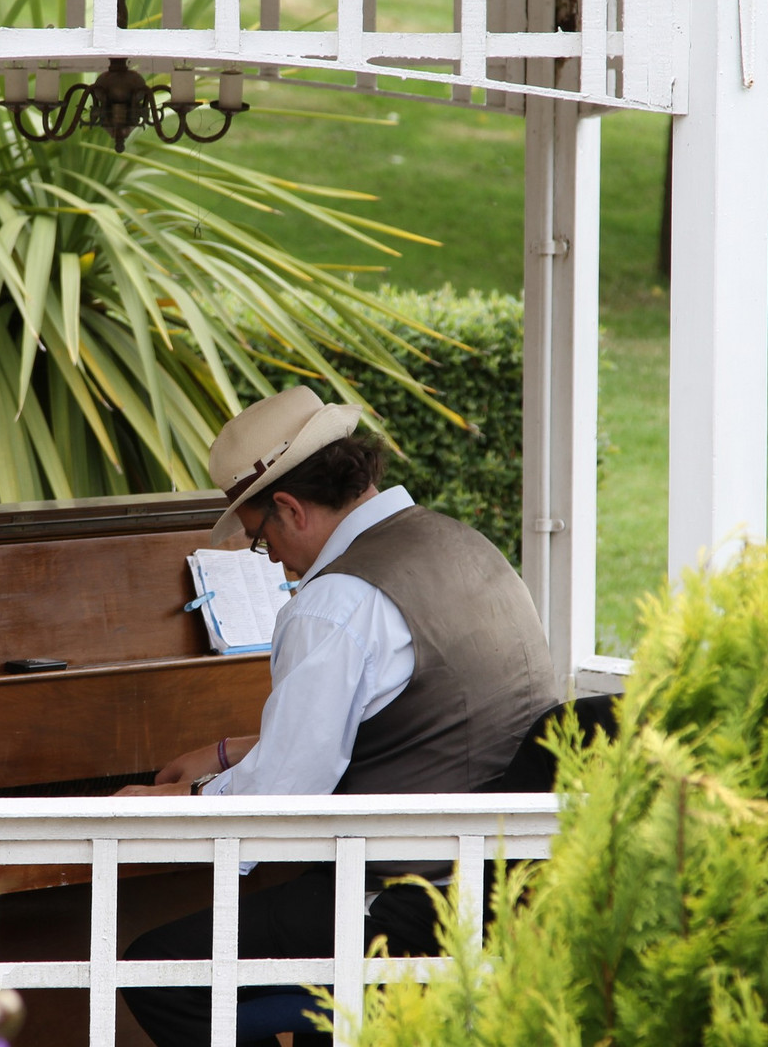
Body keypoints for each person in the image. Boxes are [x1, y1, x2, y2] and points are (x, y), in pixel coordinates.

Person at [115, 386, 562, 1047]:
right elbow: (412, 716)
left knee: (157, 969)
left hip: (416, 899)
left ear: (289, 508)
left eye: (257, 535)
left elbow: (281, 800)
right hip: (512, 875)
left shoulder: (336, 601)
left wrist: (171, 805)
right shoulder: (463, 545)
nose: (266, 555)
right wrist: (228, 752)